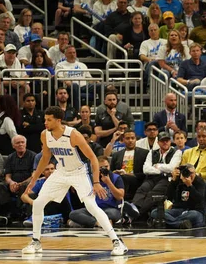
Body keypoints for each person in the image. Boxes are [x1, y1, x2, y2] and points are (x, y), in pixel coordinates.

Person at [21, 107, 128, 255]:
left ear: (58, 120)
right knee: (38, 203)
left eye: (49, 120)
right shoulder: (45, 135)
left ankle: (117, 242)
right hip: (61, 172)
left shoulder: (73, 134)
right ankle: (36, 242)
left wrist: (96, 183)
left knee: (91, 206)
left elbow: (93, 159)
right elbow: (45, 158)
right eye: (45, 119)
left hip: (79, 172)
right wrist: (33, 179)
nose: (45, 122)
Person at [68, 155, 125, 228]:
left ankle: (87, 222)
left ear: (109, 166)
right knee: (73, 214)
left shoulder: (116, 177)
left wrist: (109, 183)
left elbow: (120, 197)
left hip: (110, 209)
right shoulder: (90, 179)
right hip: (93, 209)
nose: (104, 169)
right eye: (100, 168)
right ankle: (98, 222)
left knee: (112, 214)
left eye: (106, 167)